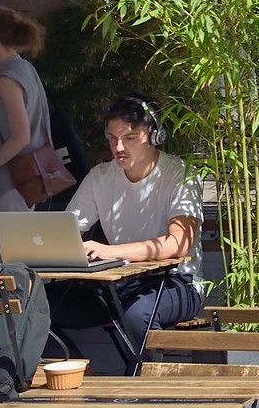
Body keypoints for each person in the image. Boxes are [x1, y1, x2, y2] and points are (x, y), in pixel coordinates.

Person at [58, 93, 203, 345]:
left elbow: (178, 244)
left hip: (178, 282)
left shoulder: (181, 175)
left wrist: (110, 252)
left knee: (137, 316)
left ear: (155, 136)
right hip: (118, 283)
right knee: (43, 305)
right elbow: (64, 232)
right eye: (113, 138)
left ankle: (144, 382)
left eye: (130, 138)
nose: (119, 147)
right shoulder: (100, 177)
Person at [0, 6, 56, 211]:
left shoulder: (8, 78)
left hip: (14, 179)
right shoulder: (25, 69)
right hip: (27, 176)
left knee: (9, 241)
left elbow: (20, 137)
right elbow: (23, 129)